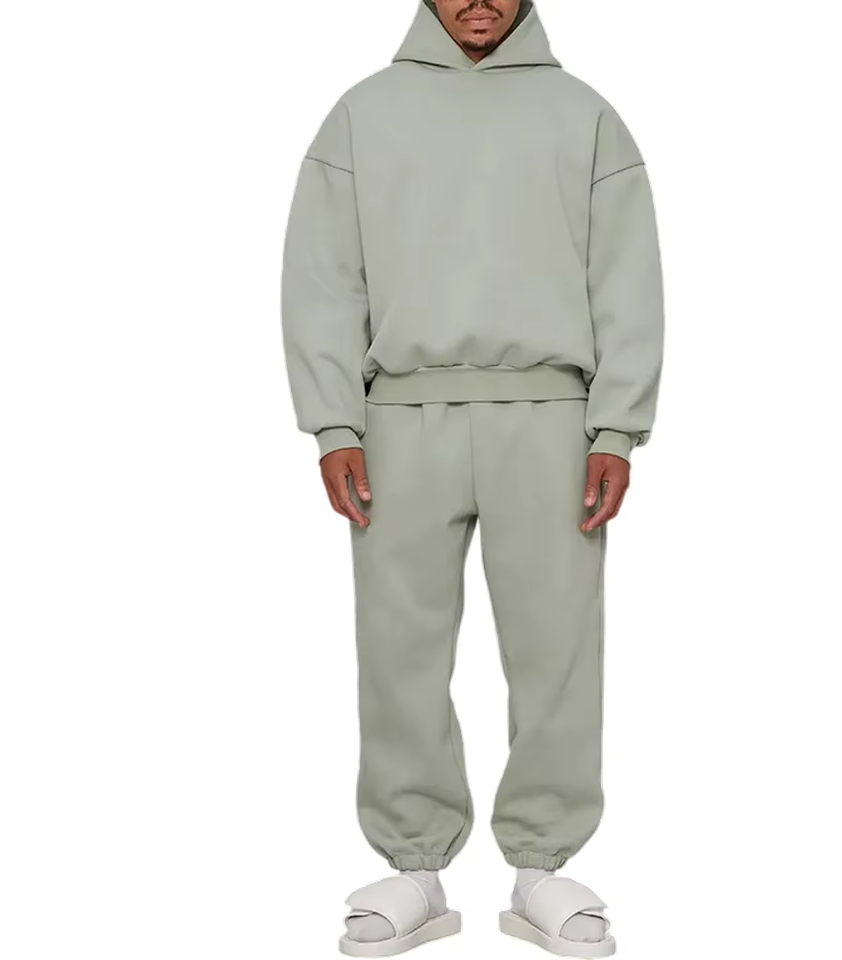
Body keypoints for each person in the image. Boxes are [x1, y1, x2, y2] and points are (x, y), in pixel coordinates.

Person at [281, 1, 664, 955]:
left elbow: (626, 277)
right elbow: (325, 275)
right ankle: (415, 868)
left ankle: (543, 867)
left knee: (556, 642)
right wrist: (334, 420)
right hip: (399, 414)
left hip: (553, 416)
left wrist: (617, 427)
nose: (478, 0)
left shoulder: (584, 117)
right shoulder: (363, 115)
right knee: (398, 643)